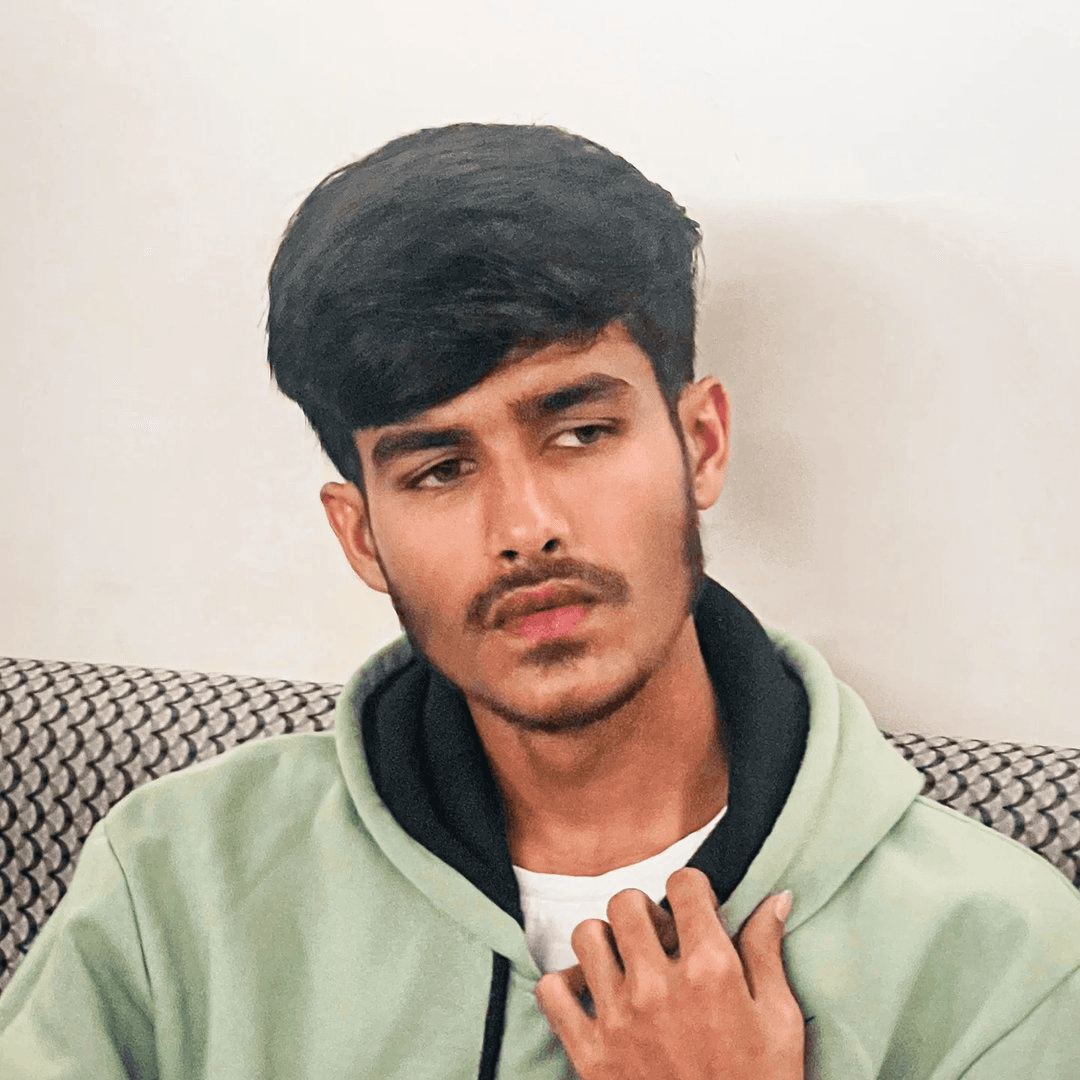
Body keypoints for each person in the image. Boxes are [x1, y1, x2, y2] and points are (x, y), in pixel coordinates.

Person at [1, 123, 1078, 1080]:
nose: (524, 525)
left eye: (579, 431)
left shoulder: (1002, 960)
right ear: (360, 533)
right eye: (437, 468)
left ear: (699, 444)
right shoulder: (174, 881)